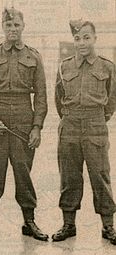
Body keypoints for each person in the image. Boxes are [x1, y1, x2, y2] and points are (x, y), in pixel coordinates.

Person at [0, 7, 48, 242]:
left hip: (24, 117)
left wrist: (37, 127)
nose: (12, 29)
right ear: (2, 27)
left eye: (16, 25)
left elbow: (41, 95)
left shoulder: (33, 56)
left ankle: (29, 221)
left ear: (23, 26)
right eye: (8, 25)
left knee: (23, 172)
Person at [53, 19, 116, 245]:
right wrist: (70, 117)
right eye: (77, 38)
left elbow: (112, 99)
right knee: (69, 176)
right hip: (69, 125)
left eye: (86, 37)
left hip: (95, 125)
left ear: (95, 38)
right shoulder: (64, 66)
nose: (82, 43)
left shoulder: (107, 67)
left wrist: (99, 118)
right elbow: (58, 99)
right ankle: (68, 224)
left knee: (100, 175)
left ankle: (108, 226)